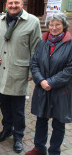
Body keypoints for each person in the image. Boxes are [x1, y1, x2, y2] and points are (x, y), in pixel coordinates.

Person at [0, 0, 41, 153]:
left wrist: (32, 71)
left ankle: (18, 136)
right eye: (10, 3)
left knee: (18, 109)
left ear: (22, 4)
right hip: (1, 71)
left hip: (19, 72)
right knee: (4, 106)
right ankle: (7, 129)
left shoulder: (32, 22)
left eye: (16, 3)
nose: (13, 6)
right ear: (6, 5)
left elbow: (36, 50)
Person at [26, 13, 72, 155]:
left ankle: (54, 151)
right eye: (51, 24)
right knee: (41, 120)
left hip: (61, 90)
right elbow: (34, 64)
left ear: (64, 25)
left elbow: (69, 69)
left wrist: (51, 82)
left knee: (58, 123)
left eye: (57, 24)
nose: (54, 27)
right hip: (42, 88)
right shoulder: (42, 42)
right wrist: (41, 80)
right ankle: (39, 148)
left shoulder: (70, 44)